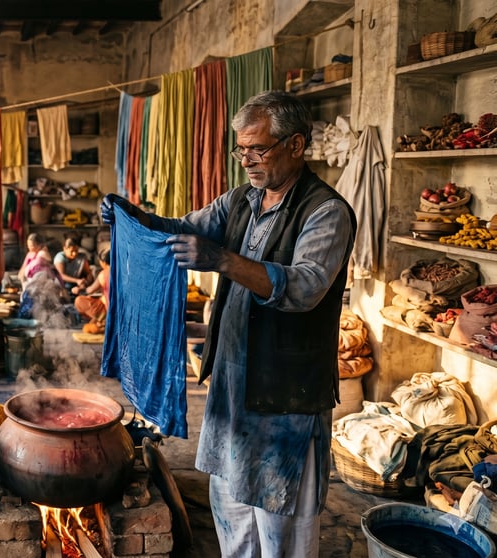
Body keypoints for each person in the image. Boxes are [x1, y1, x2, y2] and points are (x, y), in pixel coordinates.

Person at [100, 90, 356, 557]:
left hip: (286, 396)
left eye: (258, 149)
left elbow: (304, 286)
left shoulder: (326, 211)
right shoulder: (242, 200)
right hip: (232, 385)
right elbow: (182, 227)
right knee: (232, 515)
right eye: (241, 150)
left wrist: (221, 259)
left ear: (296, 145)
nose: (247, 160)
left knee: (282, 529)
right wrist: (128, 215)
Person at [74, 249, 110, 330]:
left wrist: (78, 290)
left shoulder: (103, 274)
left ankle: (103, 321)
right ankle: (101, 321)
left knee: (79, 301)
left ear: (103, 262)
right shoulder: (122, 273)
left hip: (109, 309)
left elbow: (89, 291)